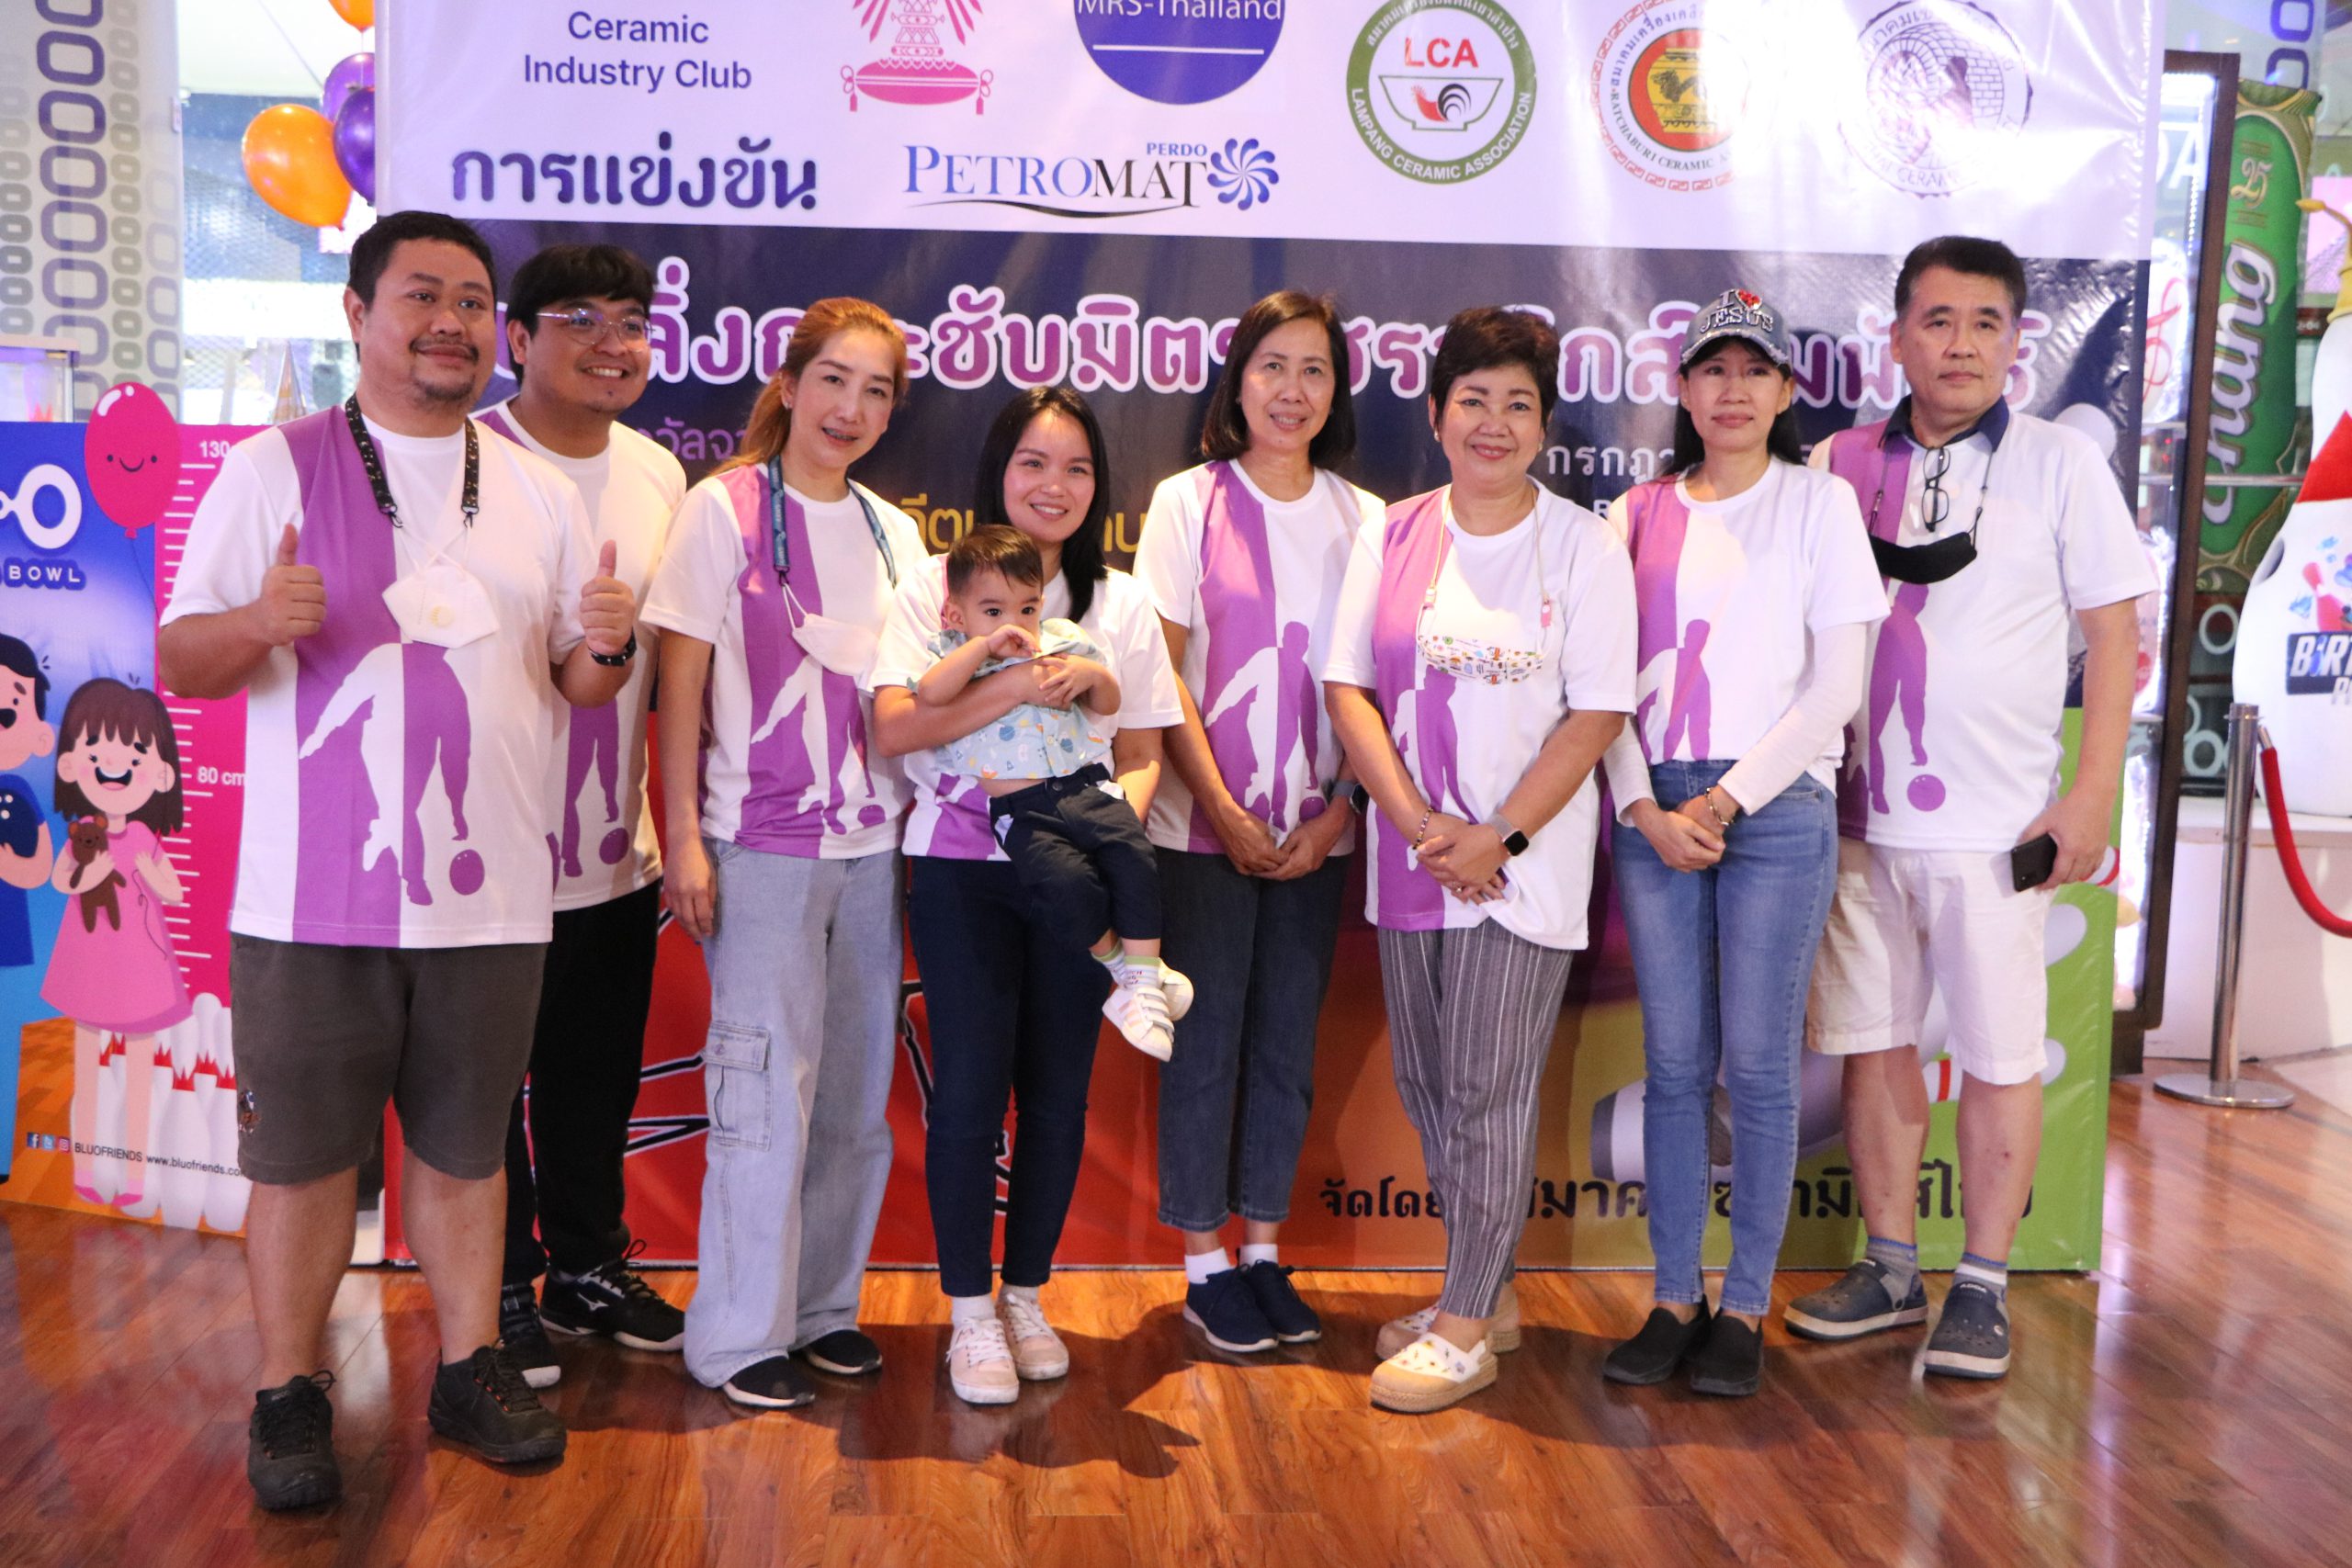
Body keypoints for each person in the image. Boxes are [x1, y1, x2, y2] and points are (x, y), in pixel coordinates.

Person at [160, 209, 638, 1508]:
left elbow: (577, 686)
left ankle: (470, 1367)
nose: (450, 322)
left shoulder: (534, 486)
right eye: (422, 295)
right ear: (359, 314)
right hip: (311, 901)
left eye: (471, 302)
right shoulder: (271, 468)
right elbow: (182, 662)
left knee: (468, 1151)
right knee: (302, 1161)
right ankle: (288, 1389)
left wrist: (607, 643)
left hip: (492, 897)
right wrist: (258, 620)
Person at [1787, 236, 2152, 1379]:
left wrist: (2088, 799)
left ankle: (1981, 1284)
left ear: (2015, 341)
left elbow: (2114, 639)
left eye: (1984, 323)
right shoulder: (1834, 462)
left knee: (1998, 1057)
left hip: (1999, 830)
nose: (1960, 345)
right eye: (1937, 321)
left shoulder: (2061, 464)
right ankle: (1891, 1269)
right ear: (1896, 336)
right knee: (1873, 1046)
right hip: (1852, 819)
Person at [1323, 308, 1636, 1414]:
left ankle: (1463, 1328)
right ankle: (1486, 1290)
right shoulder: (1391, 533)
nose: (1493, 423)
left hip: (1521, 868)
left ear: (1543, 426)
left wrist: (1495, 835)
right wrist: (1423, 829)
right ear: (1435, 413)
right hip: (1414, 858)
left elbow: (1597, 712)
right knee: (1428, 1088)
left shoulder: (1584, 545)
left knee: (1487, 1091)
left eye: (1517, 404)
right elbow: (1347, 690)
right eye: (1474, 400)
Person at [1593, 289, 1886, 1398]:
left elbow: (1837, 686)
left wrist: (1722, 804)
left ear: (1784, 391)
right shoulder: (1632, 514)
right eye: (1712, 370)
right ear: (1681, 388)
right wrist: (1644, 809)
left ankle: (1745, 1307)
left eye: (1754, 371)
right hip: (1652, 811)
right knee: (1674, 1070)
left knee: (1759, 1072)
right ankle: (1674, 1297)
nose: (1732, 390)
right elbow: (1598, 685)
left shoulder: (1819, 505)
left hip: (1776, 806)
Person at [869, 386, 1182, 1407]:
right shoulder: (935, 588)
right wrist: (1016, 680)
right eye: (1034, 464)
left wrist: (1099, 829)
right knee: (967, 1094)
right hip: (960, 873)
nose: (1055, 486)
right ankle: (969, 1313)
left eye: (1078, 468)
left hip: (1073, 877)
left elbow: (1141, 750)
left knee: (1057, 1096)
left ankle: (1027, 1297)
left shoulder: (1119, 604)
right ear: (998, 473)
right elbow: (897, 727)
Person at [641, 298, 925, 1413]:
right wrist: (681, 838)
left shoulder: (894, 533)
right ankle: (733, 1337)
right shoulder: (721, 510)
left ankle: (820, 1312)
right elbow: (677, 687)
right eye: (834, 381)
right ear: (790, 384)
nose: (850, 409)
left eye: (876, 391)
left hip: (874, 849)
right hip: (755, 848)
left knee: (853, 1093)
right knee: (762, 1090)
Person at [1132, 289, 1382, 1353]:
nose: (1292, 389)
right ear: (1236, 382)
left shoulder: (1368, 520)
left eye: (1314, 369)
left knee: (1284, 1045)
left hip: (1318, 837)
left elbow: (1378, 684)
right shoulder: (1186, 503)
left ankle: (1265, 1252)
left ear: (1337, 392)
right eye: (1272, 366)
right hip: (1200, 832)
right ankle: (1203, 1263)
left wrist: (1338, 813)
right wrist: (1223, 811)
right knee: (1205, 1044)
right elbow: (1159, 679)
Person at [476, 243, 688, 1387]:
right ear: (518, 340)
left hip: (614, 850)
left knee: (593, 1077)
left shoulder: (659, 474)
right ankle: (498, 1284)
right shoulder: (470, 462)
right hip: (482, 855)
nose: (613, 344)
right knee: (481, 1088)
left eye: (631, 323)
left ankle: (586, 1266)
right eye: (580, 320)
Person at [914, 525, 1189, 1059]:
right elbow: (930, 695)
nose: (1013, 624)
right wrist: (983, 647)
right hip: (1022, 810)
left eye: (1026, 609)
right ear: (955, 615)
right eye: (992, 611)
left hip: (1085, 788)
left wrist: (1091, 675)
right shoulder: (953, 655)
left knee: (1134, 855)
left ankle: (1145, 979)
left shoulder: (1063, 640)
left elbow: (1109, 705)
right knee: (1067, 886)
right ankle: (1127, 972)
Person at [43, 679, 191, 1214]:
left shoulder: (147, 839)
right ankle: (84, 1169)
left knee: (138, 1071)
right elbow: (60, 880)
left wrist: (152, 873)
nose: (114, 766)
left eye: (133, 756)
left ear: (162, 774)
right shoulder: (82, 832)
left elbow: (175, 891)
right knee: (86, 1067)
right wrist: (89, 876)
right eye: (95, 752)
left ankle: (135, 1175)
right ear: (69, 765)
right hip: (89, 958)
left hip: (141, 964)